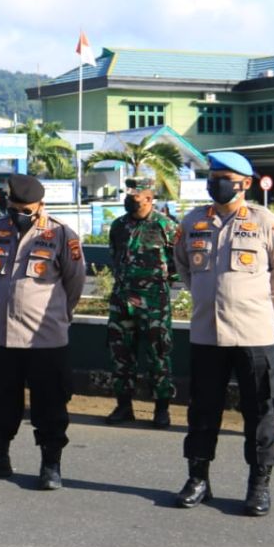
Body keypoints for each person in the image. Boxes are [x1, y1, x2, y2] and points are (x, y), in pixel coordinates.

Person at [173, 151, 274, 516]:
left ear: (245, 183)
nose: (216, 184)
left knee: (259, 411)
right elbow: (184, 269)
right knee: (202, 411)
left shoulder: (266, 222)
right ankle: (198, 479)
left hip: (253, 334)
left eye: (223, 178)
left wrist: (252, 306)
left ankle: (258, 485)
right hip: (207, 334)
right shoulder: (193, 222)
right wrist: (211, 298)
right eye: (212, 177)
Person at [0, 173, 85, 490]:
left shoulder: (61, 234)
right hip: (2, 335)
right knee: (1, 402)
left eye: (25, 208)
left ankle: (50, 465)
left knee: (50, 404)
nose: (18, 213)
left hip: (45, 337)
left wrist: (58, 314)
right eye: (14, 206)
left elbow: (75, 283)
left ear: (40, 205)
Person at [104, 178, 180, 428]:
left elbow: (178, 263)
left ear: (149, 198)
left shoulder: (165, 225)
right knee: (121, 355)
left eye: (135, 195)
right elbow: (115, 255)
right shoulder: (118, 225)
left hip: (153, 302)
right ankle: (124, 406)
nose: (129, 198)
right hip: (122, 300)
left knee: (158, 355)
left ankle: (161, 409)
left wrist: (157, 281)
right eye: (128, 193)